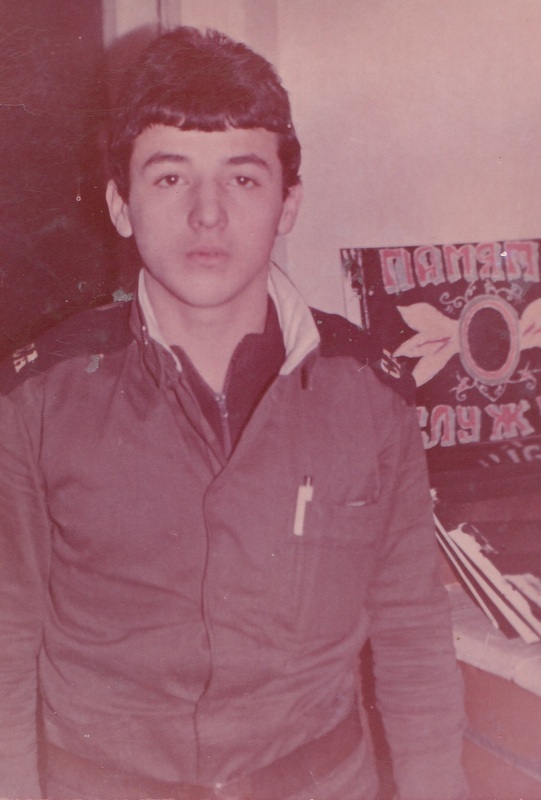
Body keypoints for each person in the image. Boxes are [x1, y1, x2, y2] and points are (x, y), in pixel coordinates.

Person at [0, 25, 468, 800]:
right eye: (169, 177)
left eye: (243, 178)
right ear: (120, 203)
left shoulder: (369, 394)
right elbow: (6, 644)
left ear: (288, 203)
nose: (207, 214)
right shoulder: (40, 401)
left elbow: (412, 633)